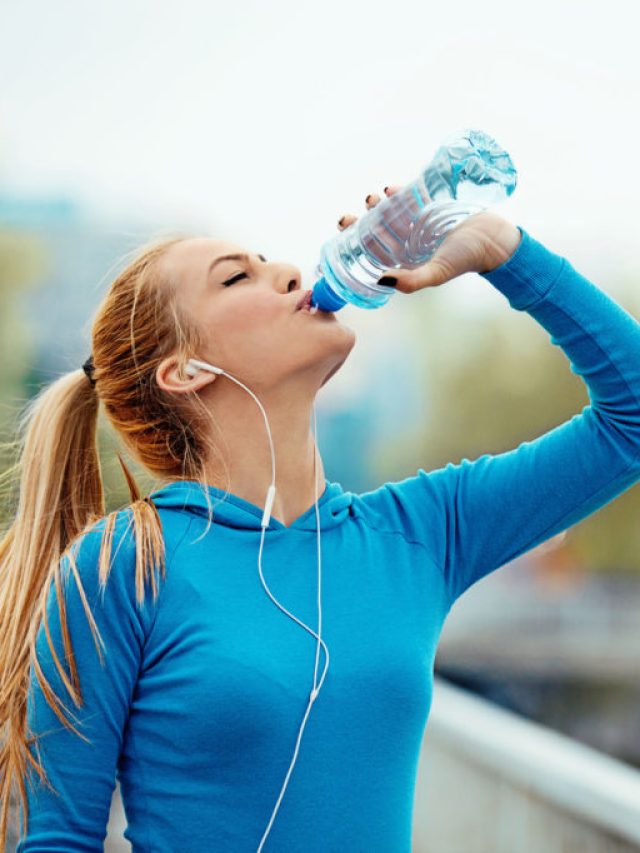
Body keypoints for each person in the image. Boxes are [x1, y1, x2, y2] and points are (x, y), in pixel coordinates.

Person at [2, 185, 640, 852]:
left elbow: (632, 415)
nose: (289, 273)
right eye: (238, 275)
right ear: (185, 371)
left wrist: (498, 250)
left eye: (270, 260)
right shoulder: (124, 564)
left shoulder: (421, 532)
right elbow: (59, 840)